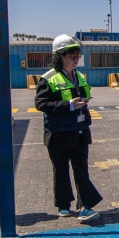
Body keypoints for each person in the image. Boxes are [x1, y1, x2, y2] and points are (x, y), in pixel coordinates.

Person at [35, 35, 102, 222]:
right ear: (60, 56)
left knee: (81, 170)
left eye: (77, 54)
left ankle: (84, 206)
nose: (76, 58)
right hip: (58, 133)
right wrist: (69, 105)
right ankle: (63, 204)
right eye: (72, 54)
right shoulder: (48, 79)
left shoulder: (79, 76)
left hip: (79, 131)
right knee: (61, 170)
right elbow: (41, 104)